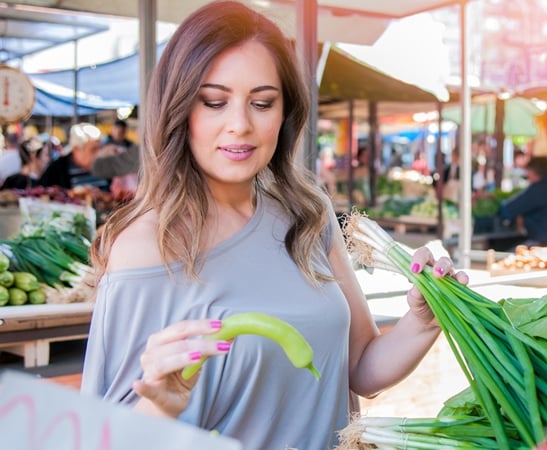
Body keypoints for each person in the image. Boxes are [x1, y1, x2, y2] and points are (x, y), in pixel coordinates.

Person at [81, 3, 468, 450]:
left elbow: (360, 367)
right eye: (214, 102)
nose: (240, 125)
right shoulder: (148, 246)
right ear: (179, 108)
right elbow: (106, 436)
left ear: (285, 113)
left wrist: (422, 321)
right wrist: (159, 407)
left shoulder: (308, 214)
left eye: (262, 102)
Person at [38, 122, 109, 191]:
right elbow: (42, 192)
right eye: (93, 150)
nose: (99, 154)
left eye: (100, 148)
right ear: (76, 149)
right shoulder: (57, 169)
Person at [92, 119, 140, 198]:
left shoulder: (130, 144)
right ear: (113, 130)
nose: (119, 135)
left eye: (122, 133)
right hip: (107, 179)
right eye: (118, 132)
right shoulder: (104, 144)